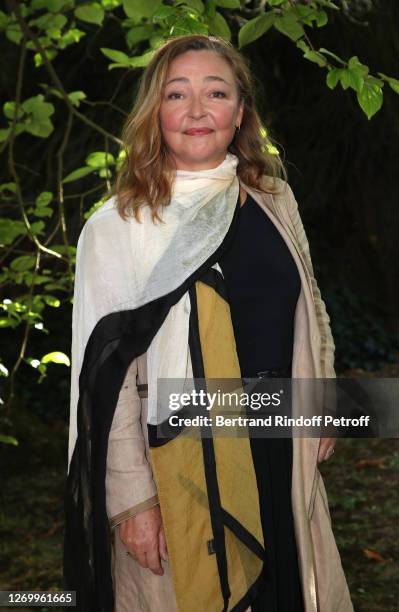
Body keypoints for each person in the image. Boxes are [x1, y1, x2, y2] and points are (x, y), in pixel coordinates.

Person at [63, 34, 354, 612]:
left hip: (280, 450)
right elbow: (103, 380)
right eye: (177, 94)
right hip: (180, 466)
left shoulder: (272, 196)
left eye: (215, 92)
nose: (197, 111)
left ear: (240, 111)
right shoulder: (120, 226)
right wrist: (134, 503)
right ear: (156, 111)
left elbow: (311, 305)